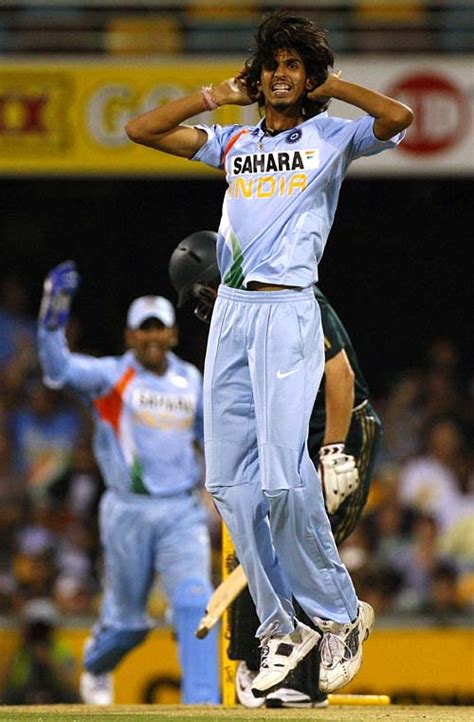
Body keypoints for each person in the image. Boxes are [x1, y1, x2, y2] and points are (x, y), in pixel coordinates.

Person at [126, 8, 412, 697]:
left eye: (294, 65)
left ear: (308, 75)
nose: (280, 75)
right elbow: (142, 130)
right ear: (256, 75)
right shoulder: (232, 143)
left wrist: (332, 86)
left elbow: (398, 118)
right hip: (230, 309)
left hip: (287, 307)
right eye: (272, 65)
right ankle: (283, 625)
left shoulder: (332, 135)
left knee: (285, 481)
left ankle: (342, 615)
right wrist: (213, 97)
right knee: (227, 485)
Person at [169, 230, 383, 708]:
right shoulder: (237, 313)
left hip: (342, 429)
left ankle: (311, 666)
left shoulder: (288, 295)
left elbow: (341, 376)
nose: (202, 307)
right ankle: (292, 660)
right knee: (273, 541)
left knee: (295, 541)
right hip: (292, 435)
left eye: (201, 292)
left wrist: (333, 451)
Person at [36, 261, 219, 705]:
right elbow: (57, 369)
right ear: (130, 336)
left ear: (174, 334)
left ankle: (203, 708)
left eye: (161, 328)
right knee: (129, 625)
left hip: (180, 510)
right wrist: (54, 310)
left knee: (197, 603)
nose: (153, 336)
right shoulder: (110, 377)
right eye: (145, 329)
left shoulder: (191, 380)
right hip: (128, 511)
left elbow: (209, 438)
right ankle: (97, 664)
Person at [1, 598, 79, 704]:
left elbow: (69, 683)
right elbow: (4, 682)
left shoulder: (60, 648)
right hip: (24, 695)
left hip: (55, 694)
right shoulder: (20, 650)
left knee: (71, 697)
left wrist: (49, 659)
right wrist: (20, 651)